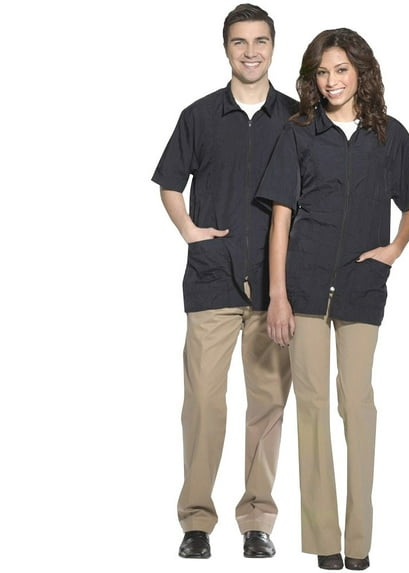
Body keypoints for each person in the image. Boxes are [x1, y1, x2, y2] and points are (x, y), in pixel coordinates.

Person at [257, 28, 409, 570]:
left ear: (361, 72)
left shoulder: (390, 135)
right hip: (305, 286)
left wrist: (393, 250)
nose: (331, 81)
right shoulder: (298, 134)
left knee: (357, 404)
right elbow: (281, 217)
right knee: (311, 407)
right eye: (322, 72)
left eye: (341, 70)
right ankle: (325, 541)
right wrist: (278, 294)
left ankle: (359, 542)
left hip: (362, 286)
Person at [151, 4, 297, 560]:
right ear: (226, 49)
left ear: (273, 47)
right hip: (212, 281)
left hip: (276, 289)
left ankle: (258, 519)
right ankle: (196, 520)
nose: (251, 52)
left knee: (267, 404)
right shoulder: (198, 116)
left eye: (260, 41)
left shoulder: (298, 119)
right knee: (204, 403)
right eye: (240, 42)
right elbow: (170, 183)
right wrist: (190, 231)